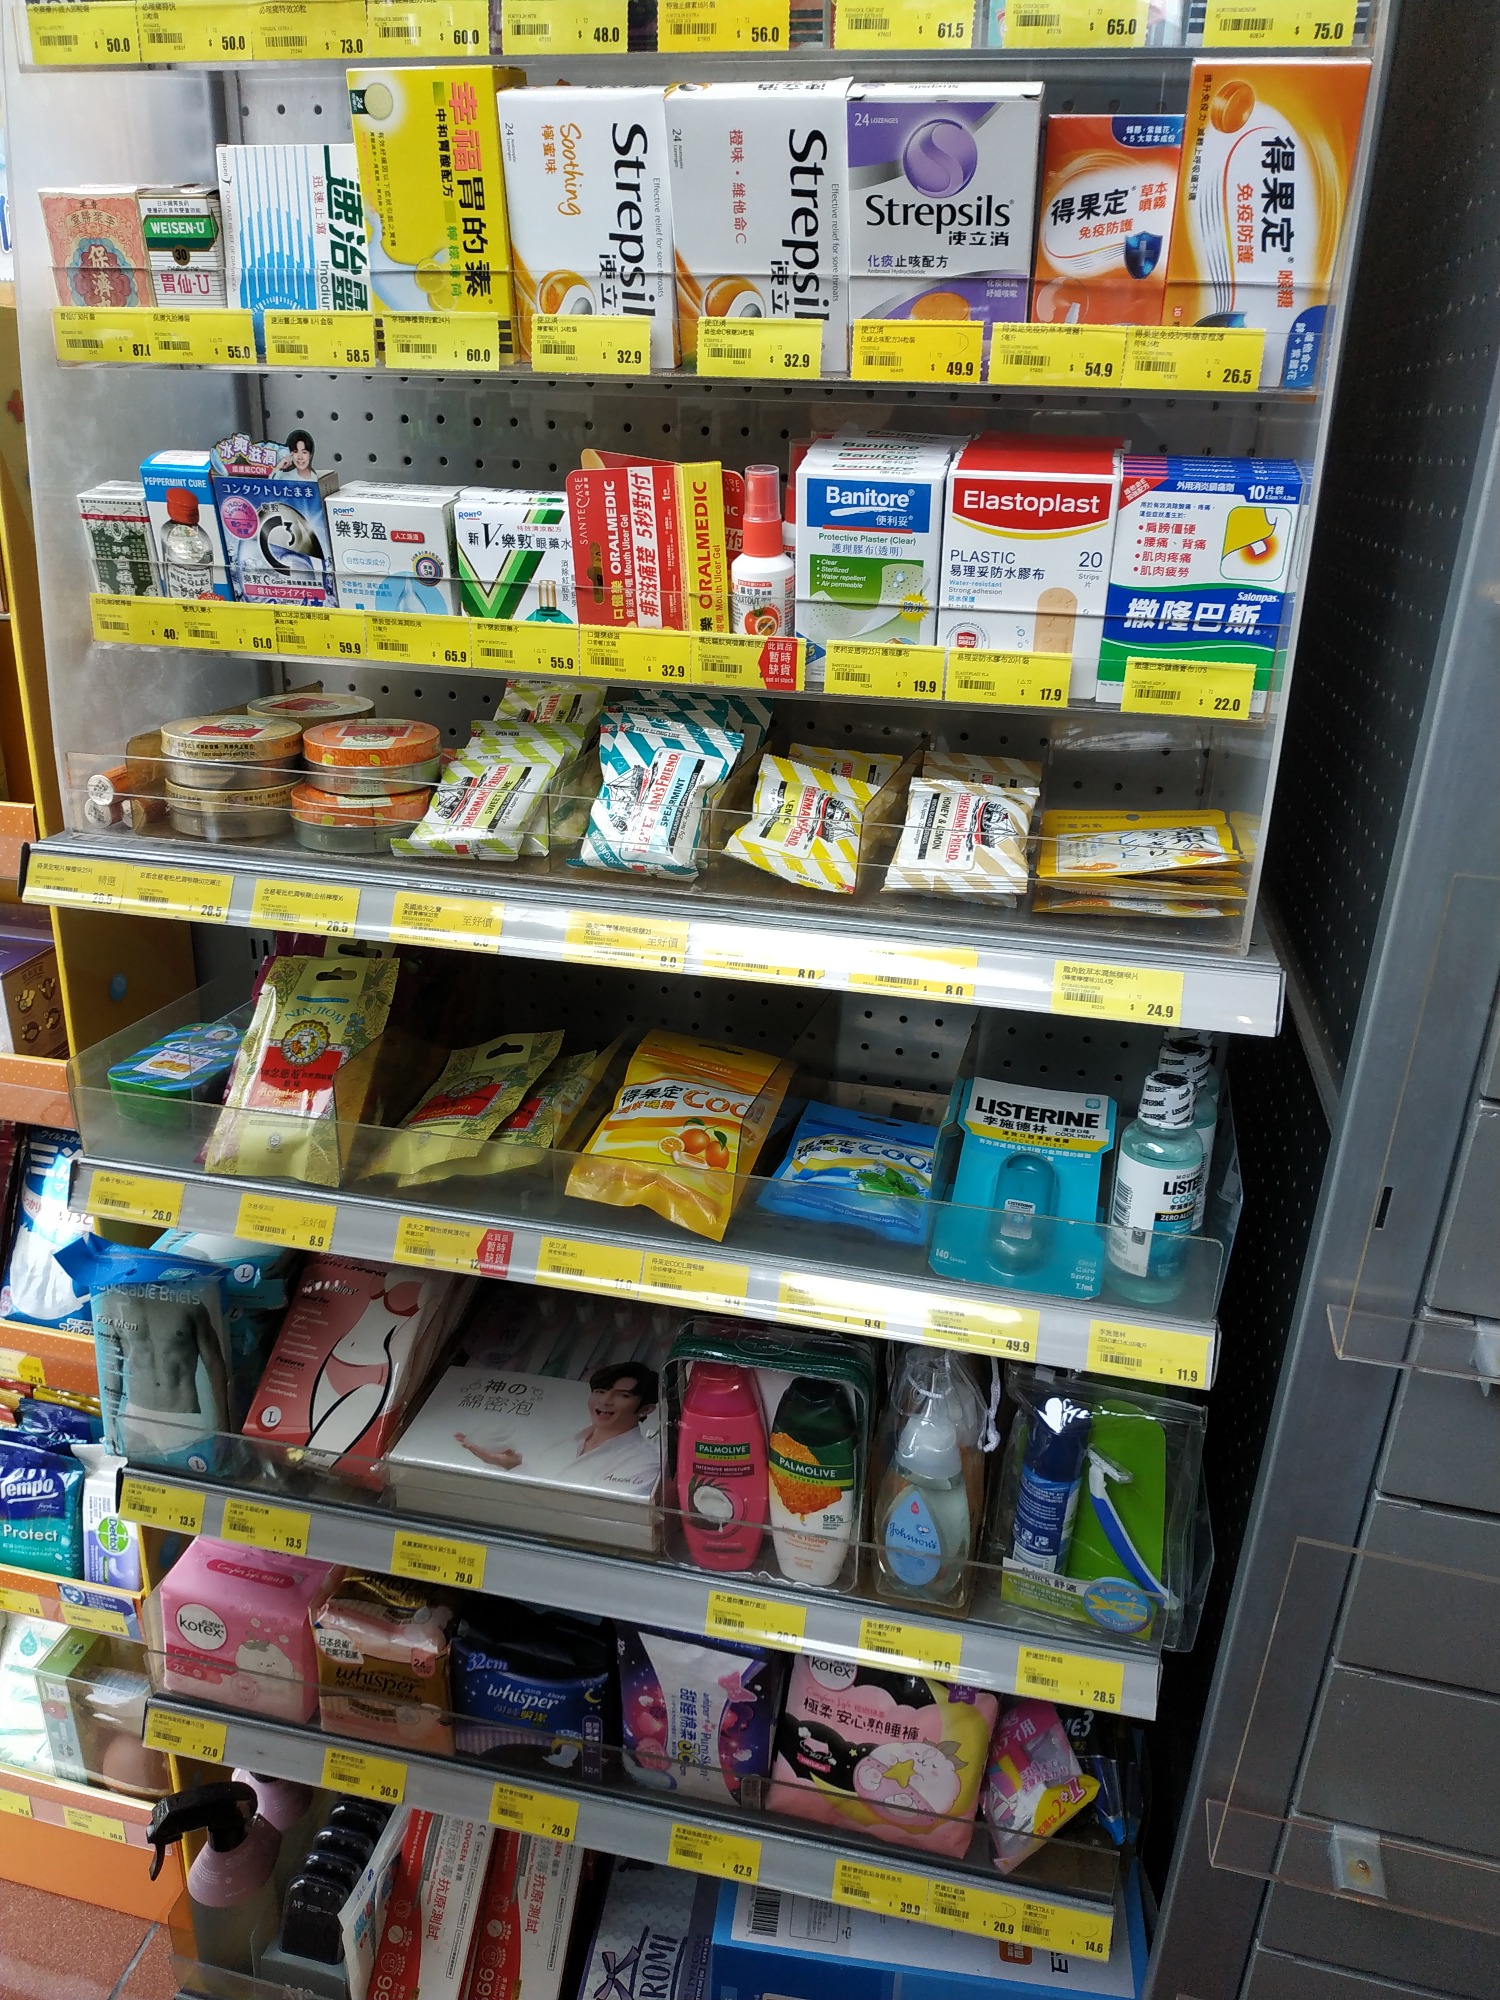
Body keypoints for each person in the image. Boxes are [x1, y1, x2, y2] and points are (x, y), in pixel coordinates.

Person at [457, 1361, 659, 1493]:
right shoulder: (558, 1440)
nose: (605, 1401)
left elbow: (588, 1515)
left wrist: (514, 1468)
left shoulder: (646, 1463)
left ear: (647, 1409)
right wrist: (497, 1462)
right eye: (600, 1391)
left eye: (622, 1395)